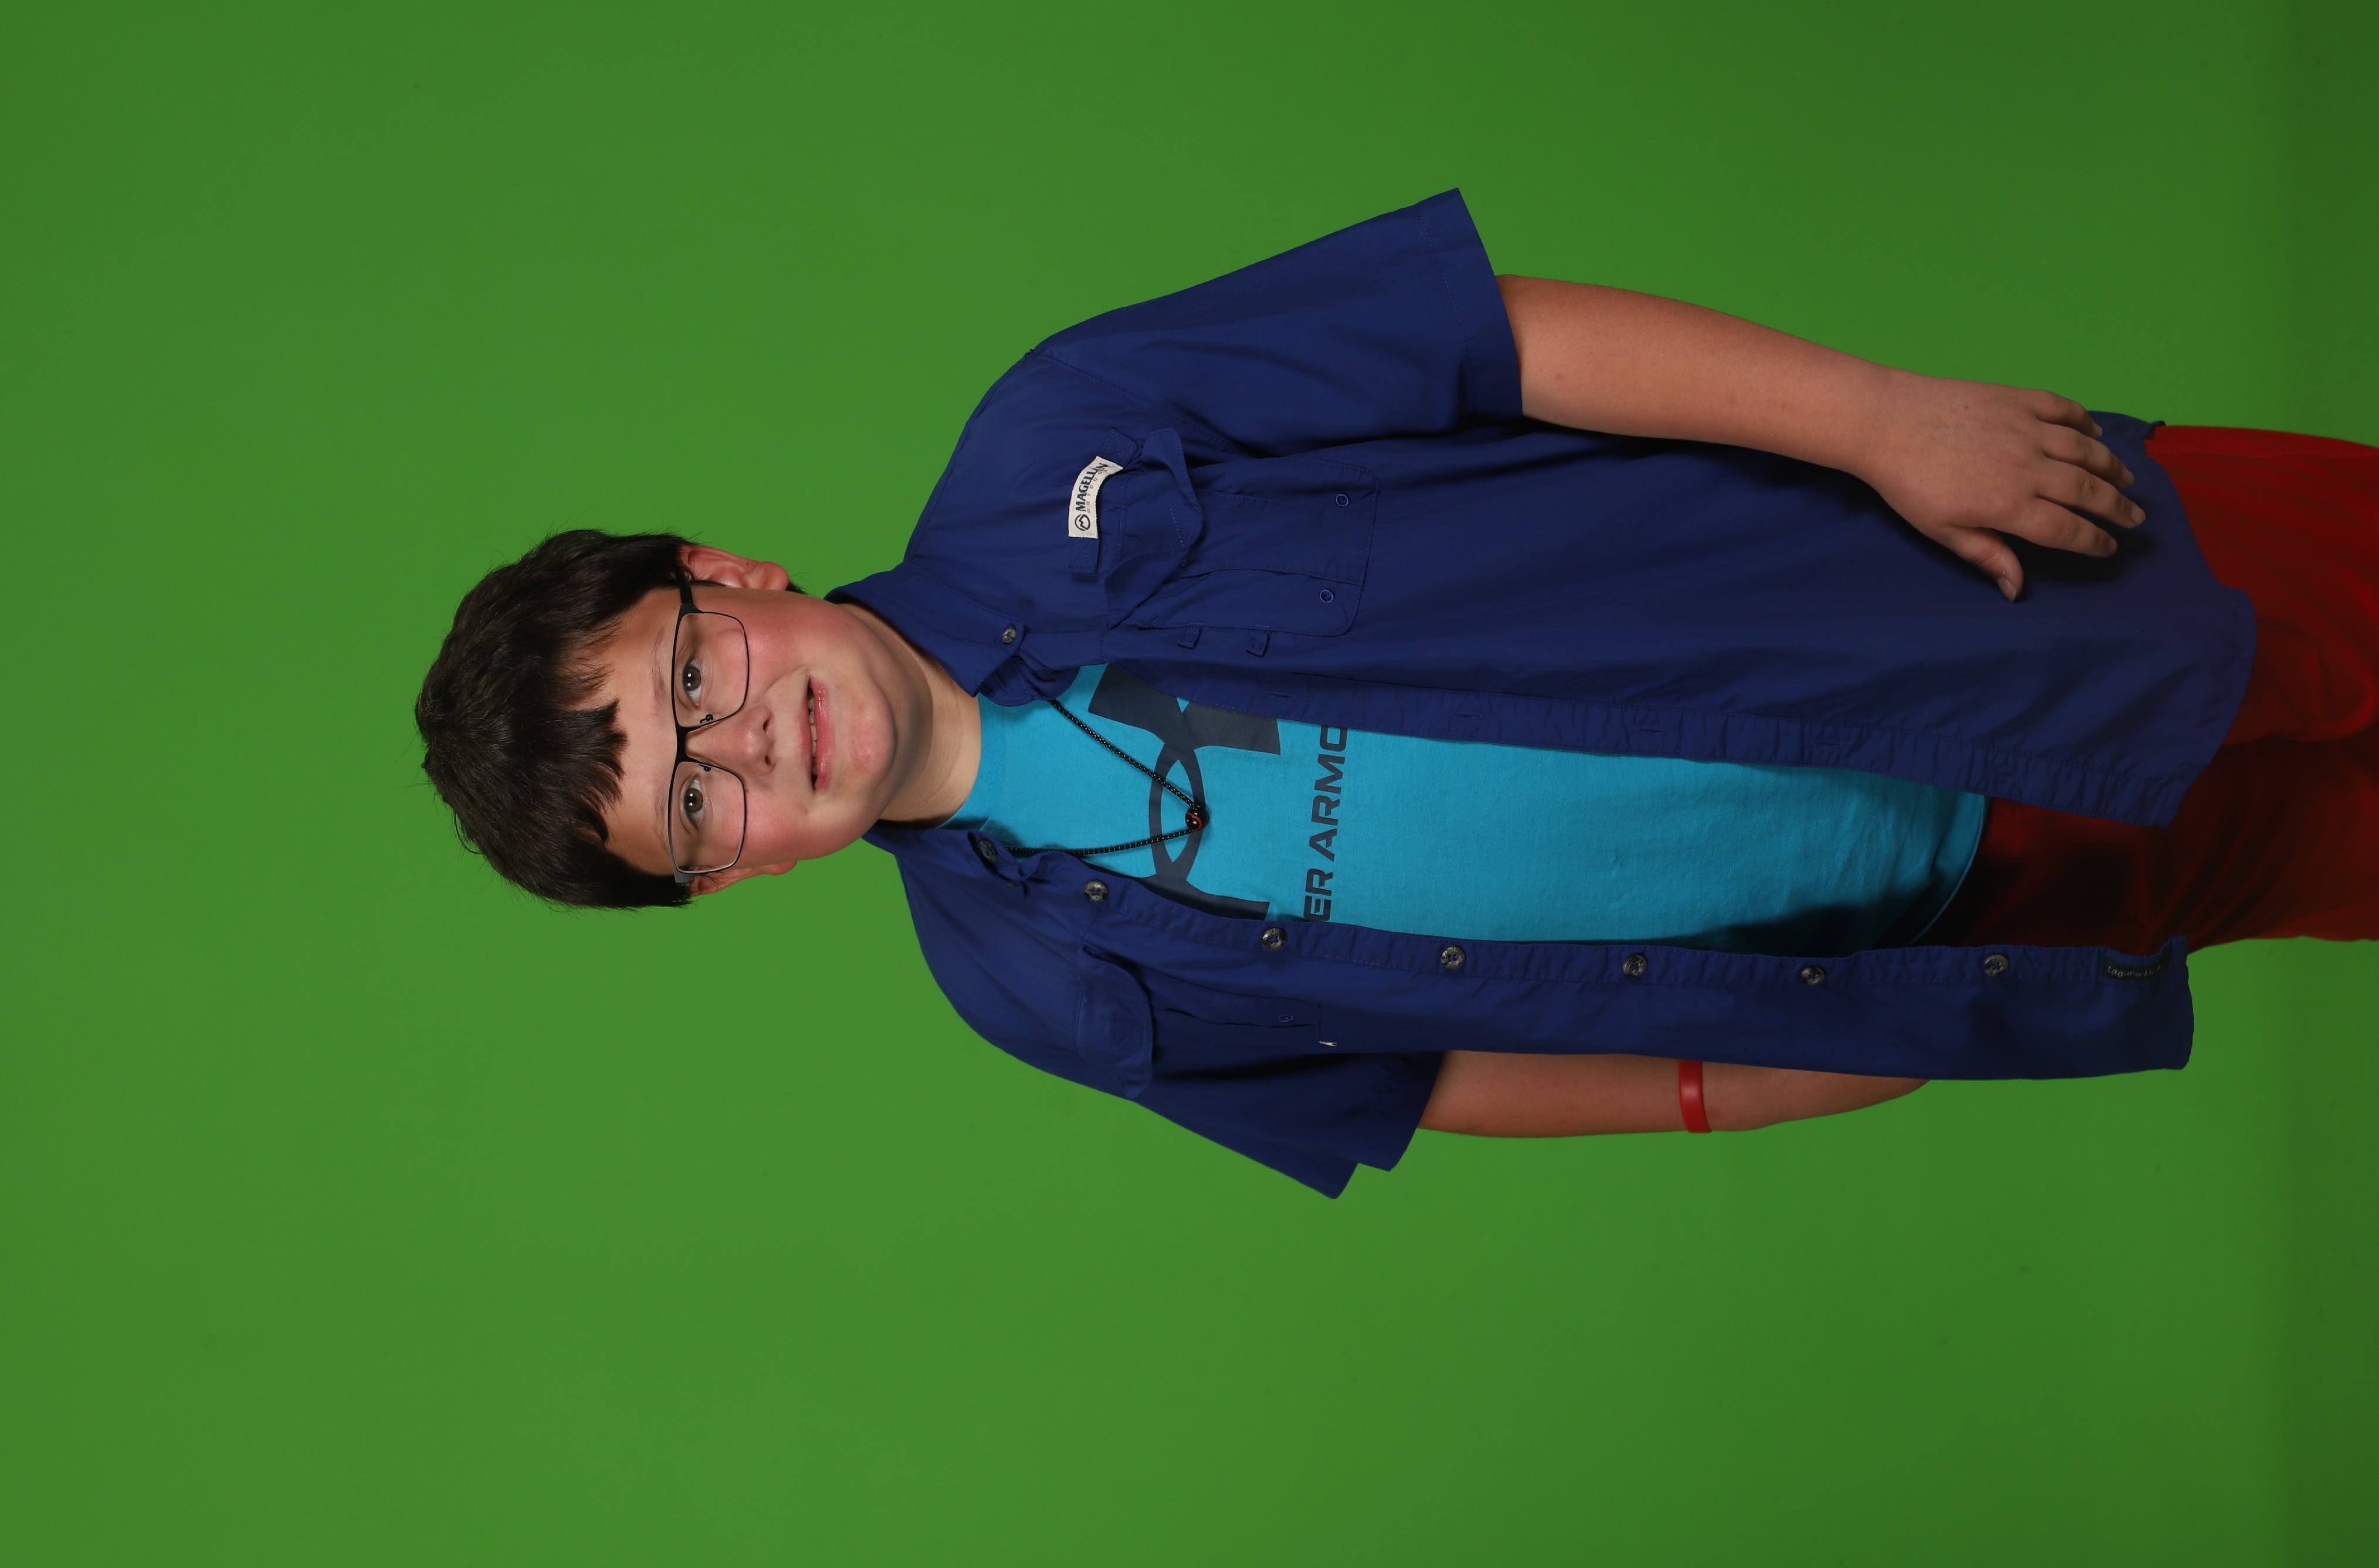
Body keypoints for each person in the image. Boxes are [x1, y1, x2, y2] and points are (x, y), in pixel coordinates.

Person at [416, 192, 2379, 1196]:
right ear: (731, 876)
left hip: (1956, 608)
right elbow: (1412, 1083)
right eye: (695, 802)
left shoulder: (1064, 430)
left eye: (697, 675)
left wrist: (1878, 418)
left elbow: (1491, 342)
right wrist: (1714, 1092)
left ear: (729, 575)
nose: (746, 744)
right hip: (1963, 910)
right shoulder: (1030, 989)